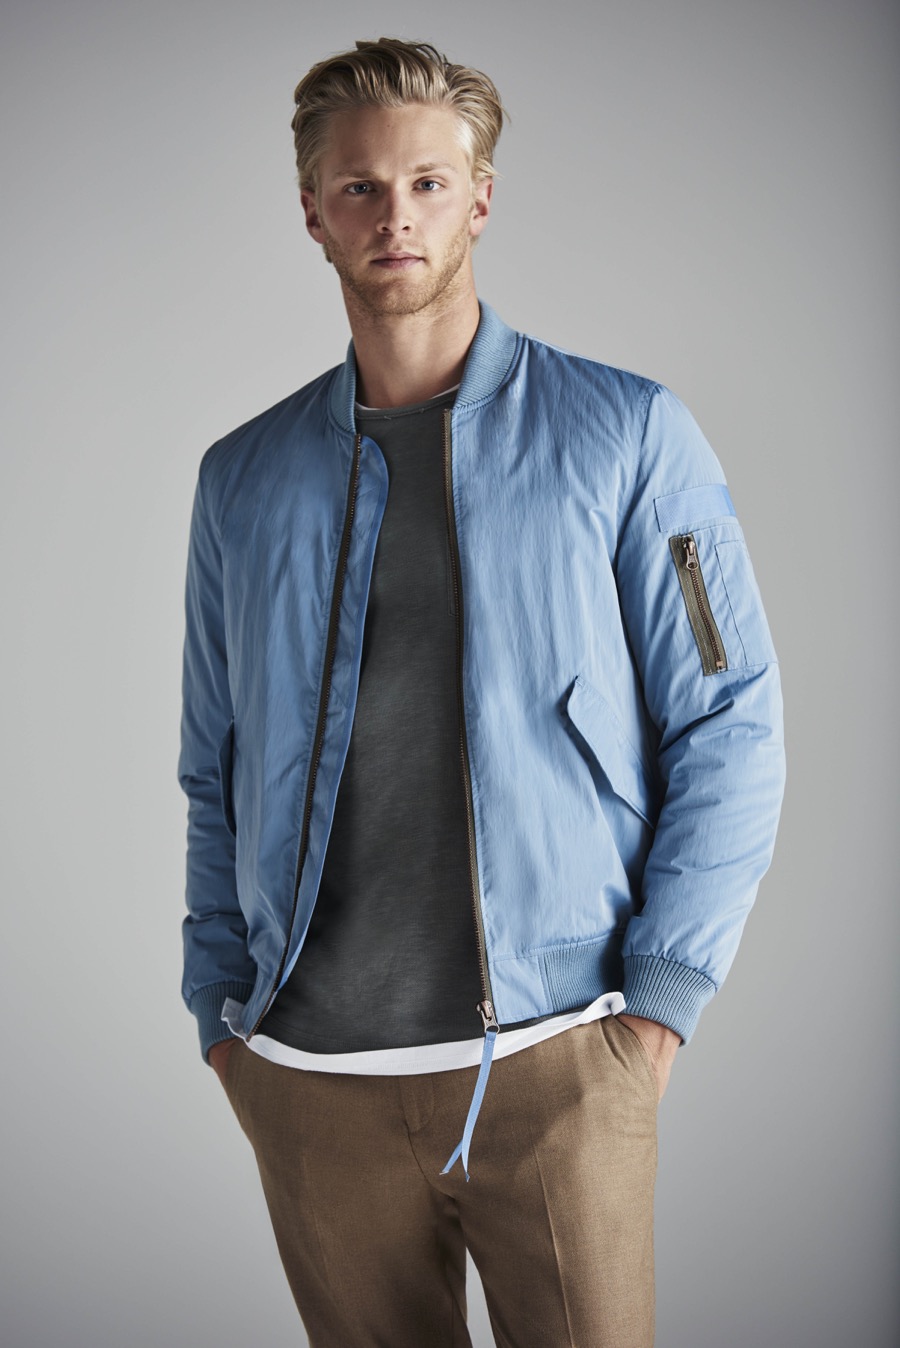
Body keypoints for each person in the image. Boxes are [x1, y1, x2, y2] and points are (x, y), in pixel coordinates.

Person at [178, 37, 785, 1348]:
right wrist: (221, 1011)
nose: (394, 216)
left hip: (561, 1064)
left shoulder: (628, 433)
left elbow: (731, 719)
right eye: (359, 187)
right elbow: (211, 761)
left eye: (428, 183)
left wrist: (658, 1009)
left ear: (482, 199)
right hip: (311, 1080)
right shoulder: (242, 479)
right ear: (313, 211)